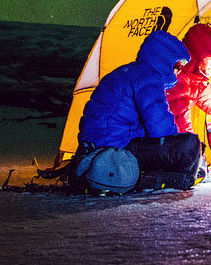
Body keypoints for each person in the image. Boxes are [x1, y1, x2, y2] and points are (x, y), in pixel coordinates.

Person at [76, 30, 201, 191]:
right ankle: (177, 178)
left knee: (178, 145)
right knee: (189, 144)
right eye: (177, 66)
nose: (178, 72)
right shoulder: (147, 77)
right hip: (116, 149)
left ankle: (156, 176)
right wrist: (181, 145)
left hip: (100, 147)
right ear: (164, 60)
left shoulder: (130, 72)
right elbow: (160, 127)